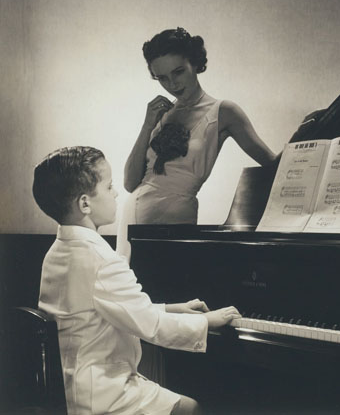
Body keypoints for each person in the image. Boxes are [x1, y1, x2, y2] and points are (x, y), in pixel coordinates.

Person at [33, 146, 241, 415]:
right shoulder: (101, 259)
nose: (117, 193)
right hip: (101, 394)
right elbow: (151, 326)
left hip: (70, 385)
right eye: (109, 187)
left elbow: (117, 308)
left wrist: (172, 308)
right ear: (85, 204)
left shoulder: (58, 251)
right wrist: (205, 322)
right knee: (192, 409)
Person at [117, 27, 276, 260]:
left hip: (175, 219)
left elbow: (272, 164)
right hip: (133, 217)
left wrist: (304, 138)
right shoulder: (162, 113)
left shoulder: (224, 111)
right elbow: (130, 183)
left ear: (195, 63)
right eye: (162, 78)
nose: (172, 84)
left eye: (178, 72)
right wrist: (147, 125)